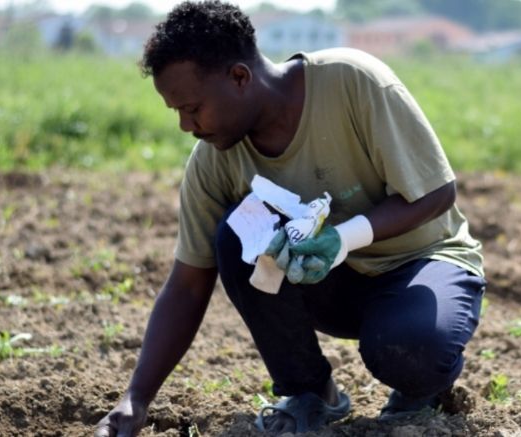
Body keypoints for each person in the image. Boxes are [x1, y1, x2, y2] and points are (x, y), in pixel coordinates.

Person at [94, 1, 485, 436]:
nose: (187, 125)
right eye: (177, 113)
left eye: (192, 108)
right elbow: (187, 284)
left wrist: (342, 237)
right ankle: (310, 392)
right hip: (332, 289)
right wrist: (136, 400)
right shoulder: (213, 162)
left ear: (239, 77)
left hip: (420, 265)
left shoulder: (351, 81)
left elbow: (437, 192)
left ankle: (421, 388)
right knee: (236, 234)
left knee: (410, 350)